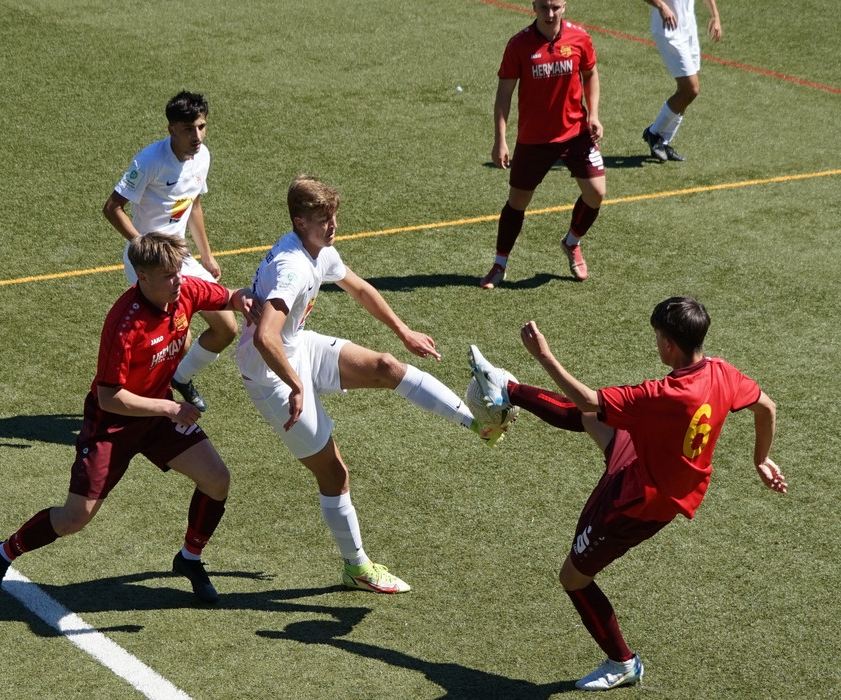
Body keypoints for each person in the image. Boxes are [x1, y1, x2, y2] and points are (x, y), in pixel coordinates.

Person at [470, 297, 786, 690]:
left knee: (573, 578)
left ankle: (622, 663)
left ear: (668, 344)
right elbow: (767, 407)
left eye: (657, 336)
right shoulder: (723, 372)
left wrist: (544, 356)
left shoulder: (663, 394)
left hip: (639, 502)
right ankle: (506, 388)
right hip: (649, 464)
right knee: (591, 419)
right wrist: (761, 459)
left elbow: (588, 397)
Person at [234, 175, 504, 594]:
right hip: (272, 376)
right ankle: (357, 568)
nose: (333, 225)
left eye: (334, 216)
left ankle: (478, 426)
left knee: (386, 366)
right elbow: (265, 338)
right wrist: (296, 385)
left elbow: (358, 289)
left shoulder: (319, 250)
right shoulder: (292, 267)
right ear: (300, 222)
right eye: (324, 219)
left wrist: (403, 331)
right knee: (334, 472)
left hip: (297, 347)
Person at [0, 233, 259, 605]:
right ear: (142, 276)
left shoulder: (184, 290)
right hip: (112, 425)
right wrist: (169, 408)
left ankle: (189, 558)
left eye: (178, 272)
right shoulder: (124, 325)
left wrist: (244, 299)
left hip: (157, 414)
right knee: (74, 518)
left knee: (217, 479)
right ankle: (3, 553)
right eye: (168, 275)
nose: (177, 281)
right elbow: (109, 397)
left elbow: (229, 297)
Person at [103, 91, 235, 412]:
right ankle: (139, 400)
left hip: (180, 257)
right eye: (189, 129)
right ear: (171, 129)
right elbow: (112, 207)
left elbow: (194, 204)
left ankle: (180, 377)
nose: (197, 136)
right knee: (177, 339)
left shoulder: (202, 156)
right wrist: (142, 246)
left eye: (201, 127)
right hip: (149, 263)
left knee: (227, 327)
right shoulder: (149, 161)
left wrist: (207, 255)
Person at [482, 0, 606, 289]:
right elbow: (504, 94)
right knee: (518, 201)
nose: (550, 14)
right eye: (544, 7)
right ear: (533, 7)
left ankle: (571, 242)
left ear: (565, 6)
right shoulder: (518, 45)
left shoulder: (580, 37)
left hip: (576, 132)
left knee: (596, 193)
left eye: (556, 7)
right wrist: (500, 139)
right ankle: (499, 264)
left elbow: (590, 74)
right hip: (534, 139)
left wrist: (594, 115)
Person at [641, 0, 722, 162]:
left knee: (686, 91)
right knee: (690, 89)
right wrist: (661, 6)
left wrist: (715, 15)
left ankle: (664, 142)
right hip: (668, 29)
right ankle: (653, 133)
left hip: (688, 28)